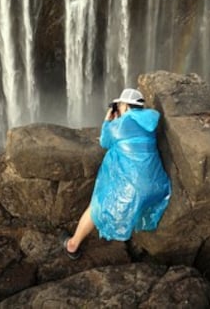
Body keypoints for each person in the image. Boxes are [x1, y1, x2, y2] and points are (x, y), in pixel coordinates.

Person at [62, 88, 171, 259]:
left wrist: (108, 121)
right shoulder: (150, 122)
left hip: (133, 191)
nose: (118, 109)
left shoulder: (119, 126)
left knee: (96, 206)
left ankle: (73, 244)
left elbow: (105, 142)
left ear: (126, 106)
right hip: (158, 188)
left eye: (119, 105)